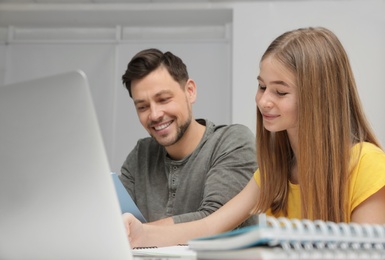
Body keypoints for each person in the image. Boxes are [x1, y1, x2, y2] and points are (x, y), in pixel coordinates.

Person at [122, 27, 385, 247]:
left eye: (280, 92)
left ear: (319, 98)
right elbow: (210, 225)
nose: (264, 101)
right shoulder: (274, 171)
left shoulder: (368, 166)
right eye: (262, 87)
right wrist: (139, 233)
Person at [120, 48, 258, 227]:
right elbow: (114, 220)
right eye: (143, 107)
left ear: (190, 91)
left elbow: (216, 221)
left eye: (163, 99)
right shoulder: (141, 155)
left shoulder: (233, 141)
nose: (154, 115)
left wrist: (137, 232)